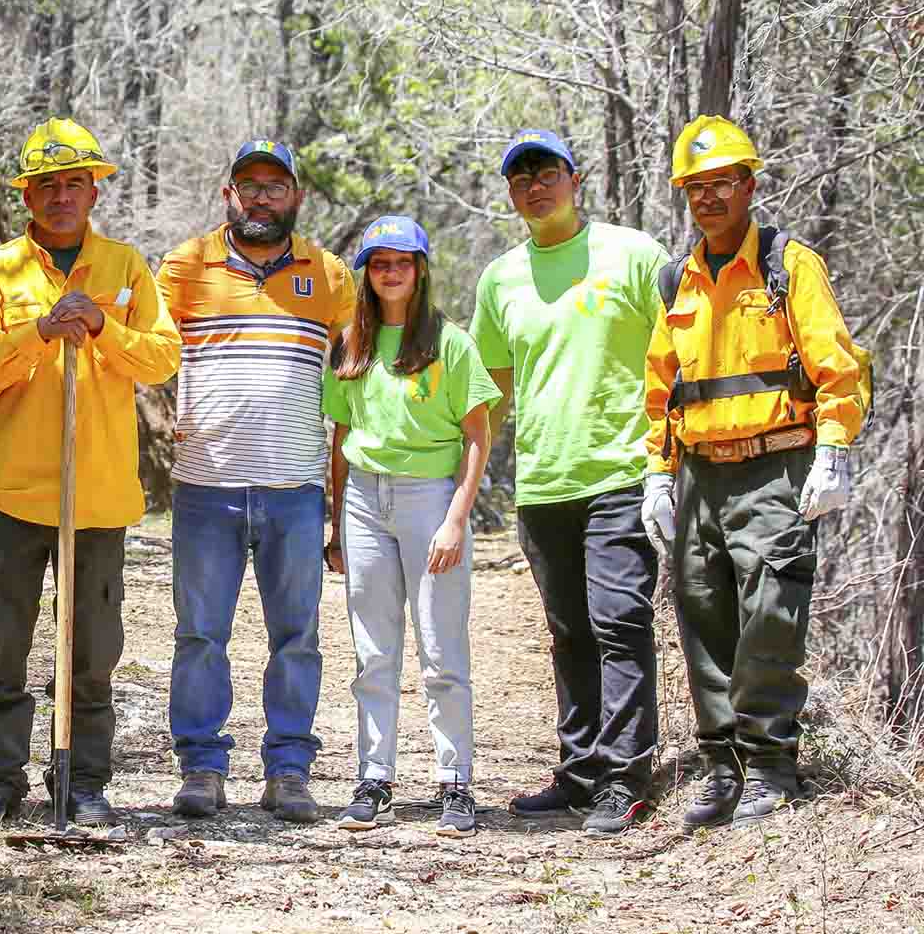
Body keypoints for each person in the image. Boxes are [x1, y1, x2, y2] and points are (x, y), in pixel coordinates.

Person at [0, 118, 180, 825]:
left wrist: (105, 328)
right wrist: (39, 331)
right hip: (13, 494)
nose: (60, 197)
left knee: (92, 653)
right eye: (46, 185)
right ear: (27, 195)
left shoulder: (125, 267)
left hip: (98, 495)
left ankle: (82, 784)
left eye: (74, 183)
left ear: (94, 191)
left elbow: (163, 358)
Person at [641, 116, 865, 827]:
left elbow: (839, 366)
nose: (708, 199)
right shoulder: (678, 278)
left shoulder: (788, 266)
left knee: (770, 616)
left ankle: (772, 766)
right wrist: (656, 470)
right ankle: (721, 769)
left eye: (721, 184)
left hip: (775, 468)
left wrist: (833, 449)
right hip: (699, 474)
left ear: (749, 186)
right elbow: (660, 383)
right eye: (695, 187)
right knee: (704, 617)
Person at [469, 128, 670, 835]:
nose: (534, 186)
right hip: (544, 484)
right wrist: (448, 476)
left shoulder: (634, 254)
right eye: (519, 177)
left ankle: (627, 777)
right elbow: (487, 392)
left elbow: (677, 353)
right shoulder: (500, 278)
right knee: (569, 632)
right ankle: (582, 772)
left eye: (545, 171)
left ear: (573, 178)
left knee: (620, 622)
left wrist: (670, 464)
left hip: (621, 471)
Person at [154, 139, 354, 824]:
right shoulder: (184, 266)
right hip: (205, 484)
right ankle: (202, 768)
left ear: (297, 195)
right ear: (227, 195)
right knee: (199, 634)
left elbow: (354, 392)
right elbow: (149, 357)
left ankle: (290, 769)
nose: (261, 196)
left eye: (276, 185)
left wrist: (345, 501)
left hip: (295, 489)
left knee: (296, 636)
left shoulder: (329, 276)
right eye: (249, 184)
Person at [322, 215, 496, 837]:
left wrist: (456, 518)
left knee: (441, 647)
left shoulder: (450, 342)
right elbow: (341, 435)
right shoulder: (351, 342)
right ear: (366, 273)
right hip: (366, 499)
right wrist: (338, 522)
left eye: (402, 261)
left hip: (431, 499)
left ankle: (455, 782)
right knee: (373, 650)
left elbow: (478, 436)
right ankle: (374, 775)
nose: (390, 272)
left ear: (421, 268)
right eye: (378, 262)